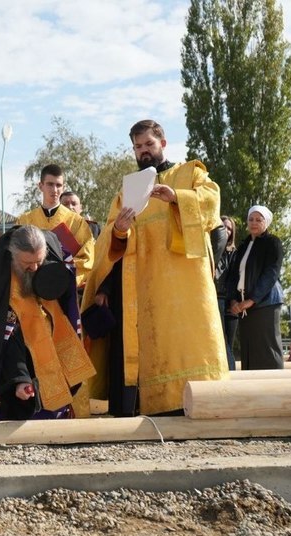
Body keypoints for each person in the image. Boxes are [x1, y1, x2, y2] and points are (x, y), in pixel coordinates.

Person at [81, 119, 228, 417]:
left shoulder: (190, 173)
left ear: (163, 143)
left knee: (185, 343)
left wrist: (177, 198)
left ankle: (195, 399)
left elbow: (212, 205)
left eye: (149, 144)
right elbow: (111, 241)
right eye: (138, 147)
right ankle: (147, 405)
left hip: (185, 286)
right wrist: (120, 230)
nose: (143, 151)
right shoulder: (127, 191)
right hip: (142, 287)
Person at [0, 225, 96, 420]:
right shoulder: (2, 279)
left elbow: (65, 288)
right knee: (9, 345)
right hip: (17, 341)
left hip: (50, 334)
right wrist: (20, 379)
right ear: (13, 256)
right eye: (27, 263)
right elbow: (3, 334)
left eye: (39, 262)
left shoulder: (50, 254)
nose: (34, 268)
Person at [16, 164, 94, 288]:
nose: (55, 189)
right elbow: (16, 257)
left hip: (64, 286)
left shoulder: (76, 221)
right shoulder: (24, 220)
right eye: (50, 184)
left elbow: (87, 258)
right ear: (40, 186)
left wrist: (62, 276)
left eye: (58, 185)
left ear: (63, 187)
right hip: (33, 287)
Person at [227, 205, 285, 370]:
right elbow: (234, 275)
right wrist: (233, 301)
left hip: (266, 303)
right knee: (249, 347)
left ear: (265, 222)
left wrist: (252, 299)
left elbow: (271, 274)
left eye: (258, 220)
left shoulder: (273, 243)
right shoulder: (244, 245)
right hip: (244, 306)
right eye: (251, 219)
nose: (254, 223)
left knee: (267, 347)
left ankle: (276, 387)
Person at [214, 216, 238, 370]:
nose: (226, 231)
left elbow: (234, 278)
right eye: (223, 227)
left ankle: (231, 373)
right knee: (220, 341)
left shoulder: (233, 253)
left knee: (227, 342)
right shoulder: (213, 248)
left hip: (227, 301)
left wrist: (233, 300)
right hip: (216, 298)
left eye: (229, 228)